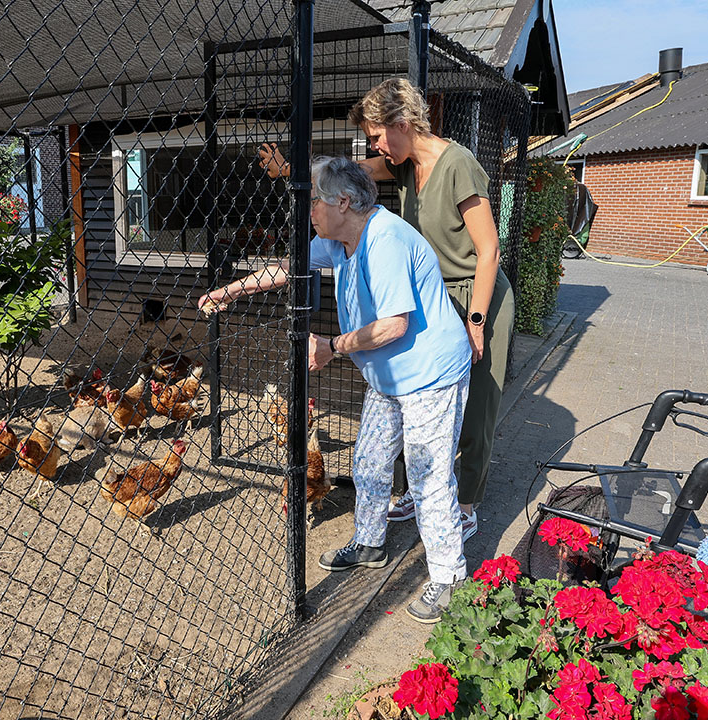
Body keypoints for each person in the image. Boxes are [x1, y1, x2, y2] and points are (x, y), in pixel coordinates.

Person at [198, 156, 471, 623]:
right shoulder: (340, 237)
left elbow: (393, 326)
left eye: (314, 203)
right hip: (388, 377)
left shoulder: (382, 242)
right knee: (368, 462)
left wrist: (330, 346)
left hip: (430, 375)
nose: (308, 212)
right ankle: (369, 543)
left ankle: (449, 578)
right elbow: (289, 267)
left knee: (428, 478)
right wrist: (230, 292)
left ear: (343, 202)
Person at [258, 78, 515, 541]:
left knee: (476, 405)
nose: (374, 144)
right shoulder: (402, 165)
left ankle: (467, 503)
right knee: (413, 392)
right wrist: (288, 170)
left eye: (377, 134)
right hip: (432, 293)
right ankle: (420, 489)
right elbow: (341, 173)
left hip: (479, 291)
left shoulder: (459, 165)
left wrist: (476, 321)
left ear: (402, 123)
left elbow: (489, 249)